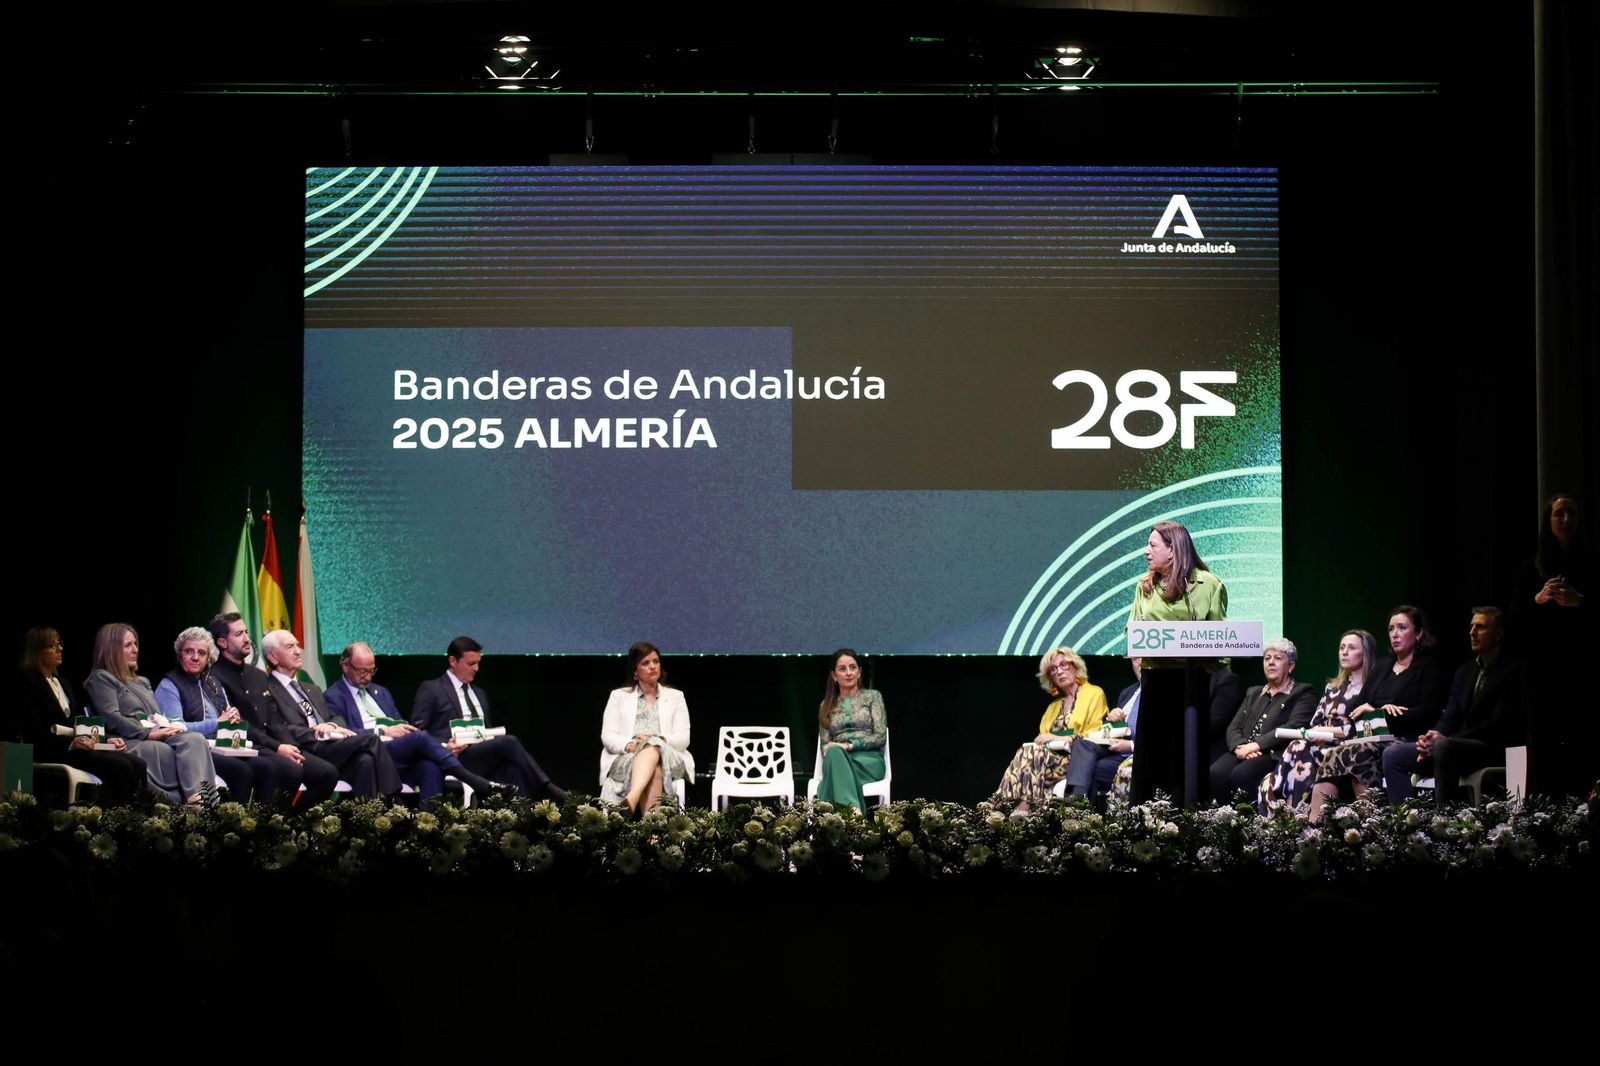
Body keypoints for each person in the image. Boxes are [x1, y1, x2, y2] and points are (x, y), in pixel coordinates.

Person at [1310, 605, 1446, 818]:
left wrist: (1379, 712)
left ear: (1418, 633)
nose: (1395, 634)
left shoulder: (1429, 667)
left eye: (1402, 628)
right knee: (1334, 754)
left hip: (1408, 739)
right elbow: (1357, 709)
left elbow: (1427, 712)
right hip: (1373, 738)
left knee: (1359, 752)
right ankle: (1314, 828)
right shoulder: (1382, 667)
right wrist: (1375, 710)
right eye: (1391, 629)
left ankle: (1372, 825)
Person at [1382, 608, 1526, 807]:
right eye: (1471, 626)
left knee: (1445, 747)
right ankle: (1406, 824)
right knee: (1393, 755)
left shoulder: (1513, 670)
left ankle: (1446, 823)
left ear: (1499, 633)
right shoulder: (1465, 671)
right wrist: (1434, 735)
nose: (1472, 632)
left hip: (1491, 747)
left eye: (1481, 627)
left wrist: (1447, 739)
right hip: (1452, 745)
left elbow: (1497, 724)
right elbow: (1451, 713)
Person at [1127, 520, 1228, 804]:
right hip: (1156, 681)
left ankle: (1188, 822)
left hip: (1193, 682)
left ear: (1173, 550)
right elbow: (1134, 633)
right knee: (1152, 758)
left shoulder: (1209, 585)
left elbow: (1221, 638)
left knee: (1186, 757)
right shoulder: (1144, 586)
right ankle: (1146, 822)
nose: (1146, 552)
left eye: (1152, 545)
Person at [324, 641, 497, 803]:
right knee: (420, 738)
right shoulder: (334, 696)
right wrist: (383, 732)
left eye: (372, 671)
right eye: (362, 671)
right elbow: (344, 733)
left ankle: (429, 825)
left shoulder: (380, 692)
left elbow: (400, 722)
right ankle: (473, 780)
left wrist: (402, 730)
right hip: (371, 751)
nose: (368, 677)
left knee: (429, 766)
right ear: (345, 665)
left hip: (396, 754)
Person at [154, 626, 304, 806]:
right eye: (189, 652)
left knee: (268, 768)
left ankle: (262, 824)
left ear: (208, 658)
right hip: (196, 752)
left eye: (201, 653)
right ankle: (233, 827)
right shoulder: (169, 684)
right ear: (179, 655)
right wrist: (217, 723)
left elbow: (226, 715)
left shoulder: (212, 682)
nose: (195, 657)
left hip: (224, 746)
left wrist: (233, 717)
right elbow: (175, 730)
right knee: (242, 771)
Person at [410, 636, 565, 802]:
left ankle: (523, 821)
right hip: (453, 757)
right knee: (509, 742)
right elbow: (417, 733)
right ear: (453, 661)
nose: (476, 668)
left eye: (478, 663)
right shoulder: (432, 689)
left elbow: (487, 732)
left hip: (480, 755)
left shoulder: (480, 694)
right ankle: (547, 787)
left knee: (515, 770)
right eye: (471, 664)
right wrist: (445, 746)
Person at [206, 612, 337, 807]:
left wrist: (290, 746)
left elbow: (274, 718)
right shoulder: (214, 677)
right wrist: (278, 748)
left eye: (246, 632)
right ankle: (266, 823)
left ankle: (290, 819)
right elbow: (238, 723)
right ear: (223, 643)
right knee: (291, 770)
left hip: (273, 743)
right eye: (239, 633)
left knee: (327, 773)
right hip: (247, 745)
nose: (247, 638)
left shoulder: (258, 675)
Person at [84, 623, 218, 807]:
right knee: (163, 750)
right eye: (128, 645)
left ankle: (202, 801)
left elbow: (155, 715)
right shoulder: (102, 678)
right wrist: (147, 733)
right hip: (127, 739)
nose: (135, 650)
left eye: (135, 644)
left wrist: (166, 726)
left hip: (153, 733)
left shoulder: (142, 682)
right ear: (112, 650)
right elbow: (111, 717)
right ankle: (191, 805)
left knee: (195, 739)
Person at [258, 629, 401, 799]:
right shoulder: (267, 689)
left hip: (331, 745)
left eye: (297, 645)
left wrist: (331, 726)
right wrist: (317, 731)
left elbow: (337, 718)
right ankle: (393, 796)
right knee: (371, 739)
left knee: (366, 761)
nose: (298, 651)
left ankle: (366, 820)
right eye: (290, 647)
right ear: (273, 657)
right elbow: (280, 729)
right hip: (307, 748)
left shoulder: (311, 688)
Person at [13, 626, 148, 804]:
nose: (60, 649)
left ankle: (143, 816)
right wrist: (70, 743)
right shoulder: (28, 684)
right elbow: (33, 732)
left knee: (139, 764)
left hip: (76, 747)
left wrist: (105, 739)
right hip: (53, 749)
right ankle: (121, 820)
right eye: (53, 646)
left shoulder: (63, 684)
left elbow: (79, 724)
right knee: (122, 767)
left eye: (60, 644)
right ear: (37, 651)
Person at [1519, 494, 1594, 797]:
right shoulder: (1533, 567)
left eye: (1571, 514)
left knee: (1583, 740)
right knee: (1544, 744)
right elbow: (1513, 623)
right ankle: (1546, 812)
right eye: (1559, 514)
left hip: (1583, 666)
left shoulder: (1591, 563)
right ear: (1548, 521)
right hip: (1543, 670)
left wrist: (1581, 602)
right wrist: (1537, 600)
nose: (1565, 520)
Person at [1258, 630, 1375, 814]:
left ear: (1365, 653)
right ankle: (1287, 810)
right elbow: (1314, 723)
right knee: (1297, 745)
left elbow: (1361, 728)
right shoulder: (1332, 687)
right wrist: (1319, 733)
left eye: (1351, 648)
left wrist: (1328, 733)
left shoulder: (1371, 688)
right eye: (1342, 647)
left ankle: (1291, 811)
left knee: (1298, 749)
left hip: (1347, 748)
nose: (1344, 652)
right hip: (1320, 743)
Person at [992, 646, 1109, 813]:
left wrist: (1056, 738)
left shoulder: (1094, 693)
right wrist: (1047, 740)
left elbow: (1093, 735)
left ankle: (1003, 807)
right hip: (1047, 758)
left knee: (1031, 754)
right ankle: (1020, 811)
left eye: (1064, 665)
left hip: (1077, 759)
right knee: (1027, 751)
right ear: (1050, 678)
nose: (1059, 671)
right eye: (1053, 670)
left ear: (1075, 666)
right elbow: (1041, 739)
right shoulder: (1053, 707)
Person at [1208, 639, 1317, 802]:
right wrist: (1239, 746)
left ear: (1291, 666)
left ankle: (1247, 823)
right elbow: (1234, 726)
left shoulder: (1302, 693)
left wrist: (1256, 745)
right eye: (1267, 658)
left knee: (1242, 774)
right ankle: (1221, 820)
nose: (1271, 663)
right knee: (1216, 772)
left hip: (1273, 753)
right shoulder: (1254, 692)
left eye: (1278, 658)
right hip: (1244, 749)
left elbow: (1294, 726)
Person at [599, 642, 694, 815]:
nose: (652, 666)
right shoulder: (618, 697)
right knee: (655, 771)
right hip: (628, 757)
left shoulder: (676, 697)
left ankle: (632, 798)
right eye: (645, 663)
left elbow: (684, 737)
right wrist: (629, 744)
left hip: (669, 756)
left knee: (654, 744)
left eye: (656, 661)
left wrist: (660, 740)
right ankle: (653, 838)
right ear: (635, 671)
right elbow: (608, 735)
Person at [813, 648, 887, 812]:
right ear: (834, 676)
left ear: (859, 672)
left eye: (853, 667)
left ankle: (832, 822)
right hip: (837, 759)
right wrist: (836, 749)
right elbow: (825, 746)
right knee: (833, 753)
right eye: (842, 668)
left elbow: (880, 737)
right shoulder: (825, 705)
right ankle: (854, 813)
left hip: (869, 762)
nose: (848, 673)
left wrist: (849, 745)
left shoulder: (873, 697)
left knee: (834, 771)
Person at [1062, 665, 1142, 808]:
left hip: (1140, 754)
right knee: (1081, 744)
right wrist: (1112, 721)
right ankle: (1076, 801)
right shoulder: (1128, 693)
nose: (1141, 662)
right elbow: (1117, 730)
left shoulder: (1164, 691)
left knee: (1091, 769)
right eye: (1135, 657)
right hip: (1117, 750)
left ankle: (1077, 809)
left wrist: (1130, 746)